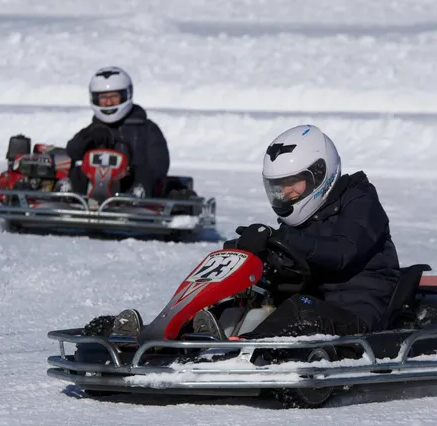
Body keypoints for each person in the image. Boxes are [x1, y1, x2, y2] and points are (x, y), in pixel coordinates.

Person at [98, 124, 400, 341]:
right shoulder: (306, 215)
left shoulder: (361, 202)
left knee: (298, 310)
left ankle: (232, 350)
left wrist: (278, 238)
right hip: (316, 301)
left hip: (357, 313)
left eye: (293, 183)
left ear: (321, 173)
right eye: (278, 187)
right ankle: (166, 334)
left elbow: (341, 253)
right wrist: (252, 252)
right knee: (242, 299)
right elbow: (299, 260)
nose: (285, 194)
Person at [57, 66, 171, 199]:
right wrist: (89, 137)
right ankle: (67, 201)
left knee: (145, 175)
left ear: (126, 95)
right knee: (76, 171)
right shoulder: (94, 128)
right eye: (103, 98)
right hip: (91, 192)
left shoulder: (147, 129)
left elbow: (158, 167)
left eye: (114, 97)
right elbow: (71, 151)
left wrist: (130, 173)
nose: (108, 103)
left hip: (132, 193)